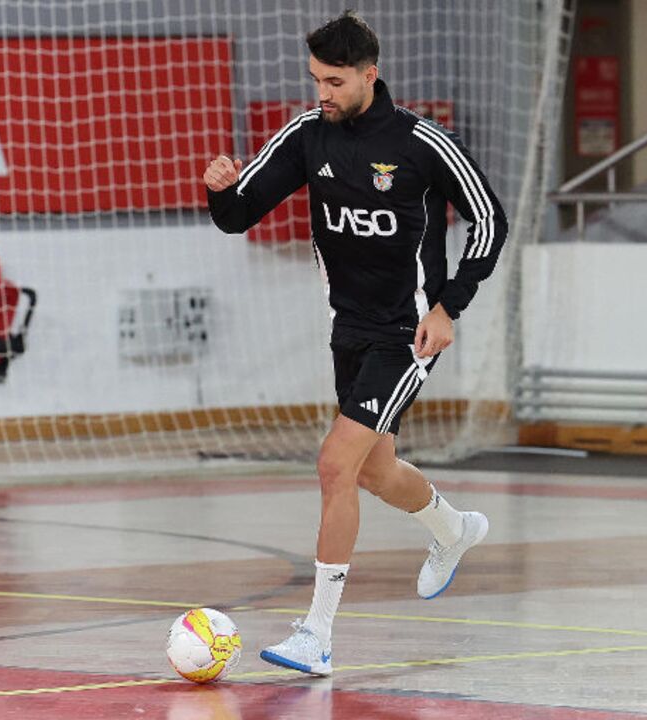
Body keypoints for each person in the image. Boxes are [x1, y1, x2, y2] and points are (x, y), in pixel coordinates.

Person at [204, 11, 506, 677]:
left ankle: (316, 635)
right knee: (374, 470)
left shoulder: (423, 142)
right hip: (348, 331)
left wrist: (450, 306)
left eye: (335, 81)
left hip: (408, 333)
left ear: (371, 74)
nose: (323, 93)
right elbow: (238, 215)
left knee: (335, 466)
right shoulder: (310, 136)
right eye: (316, 80)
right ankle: (455, 531)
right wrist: (220, 191)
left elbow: (489, 219)